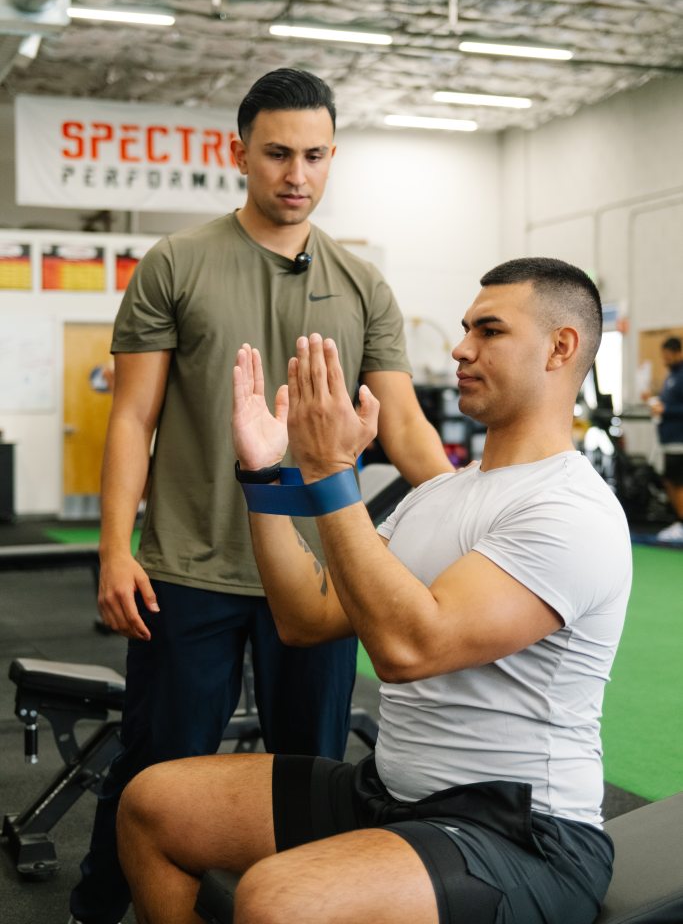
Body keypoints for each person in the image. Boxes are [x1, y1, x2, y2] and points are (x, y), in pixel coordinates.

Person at [117, 257, 633, 924]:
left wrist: (330, 471)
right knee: (153, 805)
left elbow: (409, 647)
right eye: (465, 329)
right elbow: (306, 617)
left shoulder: (569, 510)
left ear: (560, 347)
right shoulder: (438, 494)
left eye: (489, 331)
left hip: (519, 834)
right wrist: (265, 475)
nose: (461, 348)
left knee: (277, 898)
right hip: (389, 794)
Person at [68, 68, 453, 924]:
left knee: (312, 777)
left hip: (321, 580)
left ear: (332, 157)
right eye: (277, 153)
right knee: (156, 767)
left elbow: (406, 426)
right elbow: (132, 417)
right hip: (190, 568)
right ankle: (95, 910)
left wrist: (481, 513)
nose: (296, 174)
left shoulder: (363, 284)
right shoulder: (176, 263)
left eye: (314, 156)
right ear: (236, 152)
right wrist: (114, 549)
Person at [647, 336, 683, 541]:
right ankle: (679, 521)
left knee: (678, 483)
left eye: (668, 355)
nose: (665, 359)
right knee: (669, 481)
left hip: (679, 440)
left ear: (677, 353)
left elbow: (673, 407)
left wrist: (665, 409)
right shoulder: (672, 376)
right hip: (667, 440)